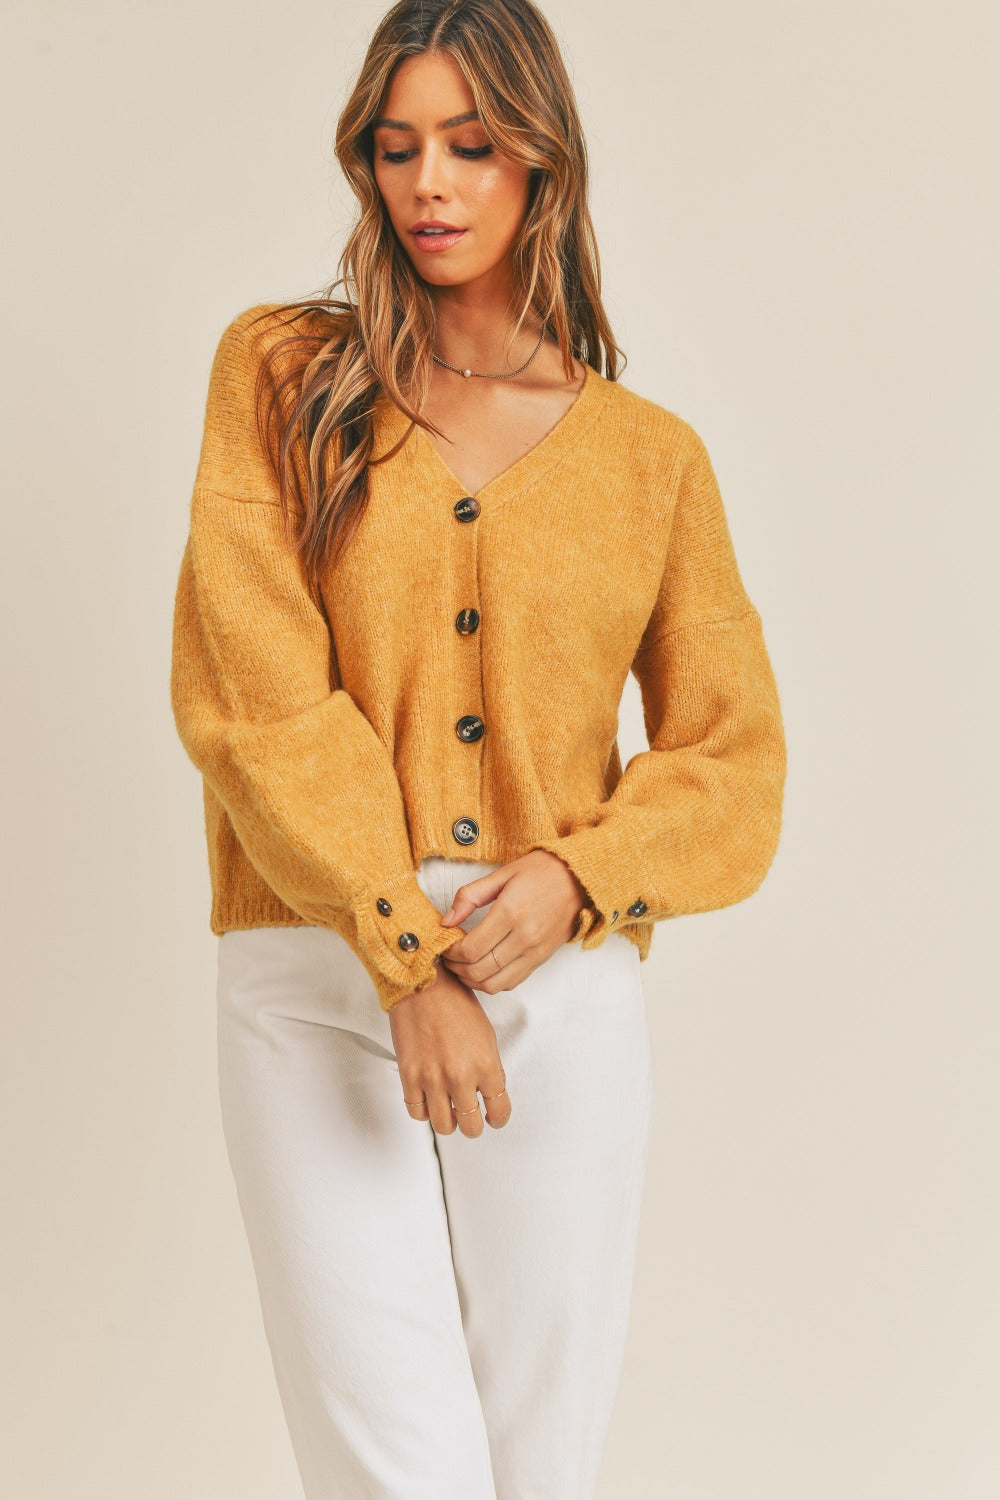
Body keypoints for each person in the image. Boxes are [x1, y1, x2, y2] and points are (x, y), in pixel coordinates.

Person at [169, 1, 786, 1496]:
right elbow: (254, 693)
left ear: (542, 163)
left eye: (470, 146)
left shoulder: (649, 460)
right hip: (318, 968)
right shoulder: (281, 376)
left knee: (537, 1471)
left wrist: (580, 879)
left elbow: (734, 759)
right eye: (398, 149)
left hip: (554, 985)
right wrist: (405, 958)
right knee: (400, 1469)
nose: (429, 185)